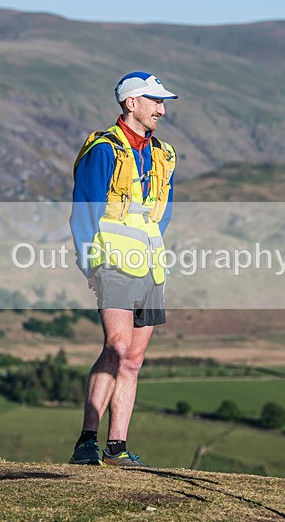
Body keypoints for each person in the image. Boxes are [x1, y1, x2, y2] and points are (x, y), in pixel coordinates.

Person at [68, 72, 178, 467]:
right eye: (155, 101)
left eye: (163, 103)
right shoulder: (103, 150)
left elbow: (161, 214)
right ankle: (86, 441)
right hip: (111, 263)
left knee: (133, 358)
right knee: (115, 348)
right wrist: (89, 263)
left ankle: (117, 448)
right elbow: (84, 211)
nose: (161, 110)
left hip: (151, 266)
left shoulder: (163, 154)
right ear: (131, 102)